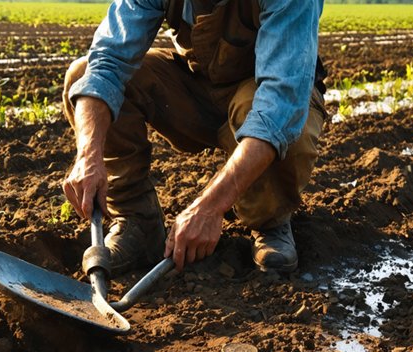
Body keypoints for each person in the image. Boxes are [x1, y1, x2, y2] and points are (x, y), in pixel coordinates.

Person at [61, 0, 326, 274]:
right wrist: (88, 156)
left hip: (262, 93)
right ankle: (137, 221)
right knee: (83, 76)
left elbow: (278, 107)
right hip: (199, 85)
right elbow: (106, 64)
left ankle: (269, 221)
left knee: (290, 125)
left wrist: (210, 207)